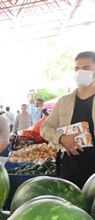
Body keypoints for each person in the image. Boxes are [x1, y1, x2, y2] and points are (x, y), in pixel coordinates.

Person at [41, 51, 95, 189]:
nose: (80, 72)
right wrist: (61, 137)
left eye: (86, 68)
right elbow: (45, 128)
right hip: (70, 167)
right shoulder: (63, 101)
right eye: (77, 68)